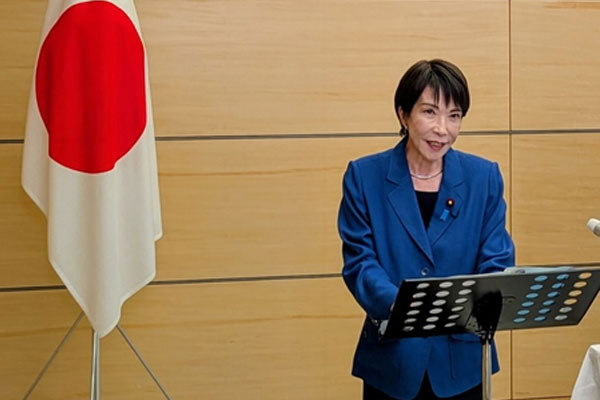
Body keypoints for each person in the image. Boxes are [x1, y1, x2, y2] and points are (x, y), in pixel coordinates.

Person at [337, 59, 515, 400]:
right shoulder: (364, 176)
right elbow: (359, 262)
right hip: (393, 359)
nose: (442, 129)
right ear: (403, 115)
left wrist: (478, 301)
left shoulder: (483, 177)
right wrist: (402, 306)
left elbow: (497, 258)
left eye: (454, 115)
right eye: (430, 112)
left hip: (462, 361)